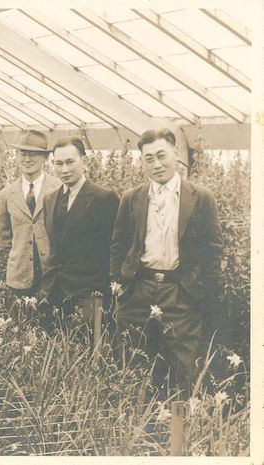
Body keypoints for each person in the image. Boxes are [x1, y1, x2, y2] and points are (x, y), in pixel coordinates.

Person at [110, 129, 222, 398]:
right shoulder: (132, 197)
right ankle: (137, 425)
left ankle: (184, 429)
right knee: (134, 362)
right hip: (139, 290)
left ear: (176, 154)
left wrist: (195, 290)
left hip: (180, 292)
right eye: (149, 158)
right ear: (142, 161)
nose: (156, 164)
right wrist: (122, 287)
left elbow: (213, 250)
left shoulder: (201, 197)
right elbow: (118, 244)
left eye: (162, 155)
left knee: (185, 366)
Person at [42, 137, 119, 329]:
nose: (64, 169)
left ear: (83, 160)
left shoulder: (104, 198)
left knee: (88, 354)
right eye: (59, 163)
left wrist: (103, 296)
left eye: (70, 162)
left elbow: (114, 249)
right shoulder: (49, 200)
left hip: (89, 296)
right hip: (55, 294)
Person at [0, 130, 60, 322]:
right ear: (17, 156)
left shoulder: (58, 189)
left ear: (45, 158)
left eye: (34, 153)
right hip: (18, 278)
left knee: (52, 332)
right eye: (23, 153)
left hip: (52, 277)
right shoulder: (5, 196)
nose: (27, 158)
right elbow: (3, 239)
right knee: (18, 331)